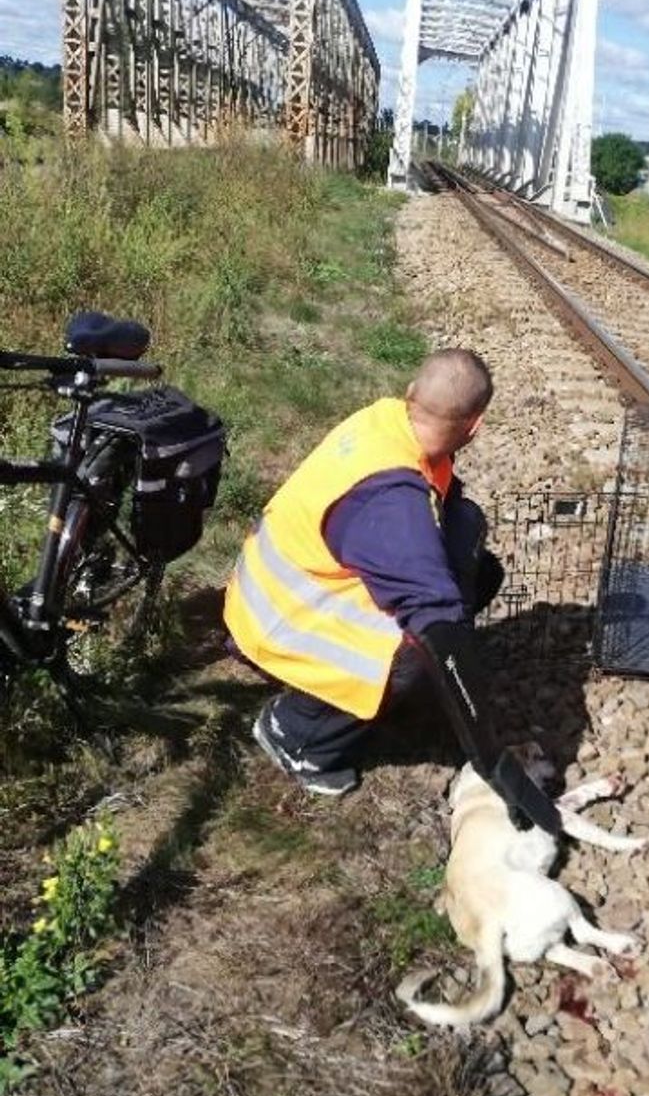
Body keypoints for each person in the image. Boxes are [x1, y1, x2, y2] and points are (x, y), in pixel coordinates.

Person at [223, 347, 563, 832]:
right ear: (476, 426)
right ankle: (297, 734)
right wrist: (491, 758)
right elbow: (439, 627)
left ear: (411, 396)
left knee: (474, 559)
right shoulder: (391, 503)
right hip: (279, 622)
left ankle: (346, 700)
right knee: (421, 648)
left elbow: (448, 516)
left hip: (273, 591)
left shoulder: (386, 423)